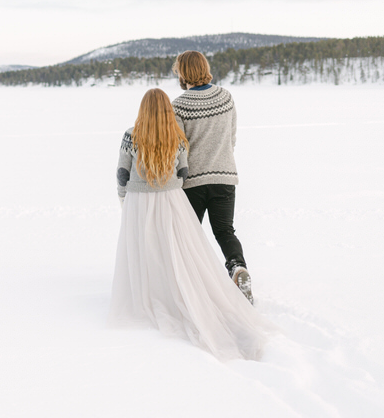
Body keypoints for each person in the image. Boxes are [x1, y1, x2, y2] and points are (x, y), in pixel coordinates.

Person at [109, 88, 274, 361]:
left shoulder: (130, 135)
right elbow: (183, 172)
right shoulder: (176, 137)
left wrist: (125, 201)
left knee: (146, 248)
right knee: (177, 247)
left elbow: (122, 174)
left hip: (139, 201)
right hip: (171, 197)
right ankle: (189, 285)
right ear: (166, 110)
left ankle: (151, 293)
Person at [171, 51, 253, 304]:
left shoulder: (179, 105)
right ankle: (238, 268)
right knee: (225, 231)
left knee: (188, 234)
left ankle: (192, 284)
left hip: (192, 182)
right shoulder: (225, 97)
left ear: (183, 72)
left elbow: (179, 149)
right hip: (224, 176)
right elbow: (231, 138)